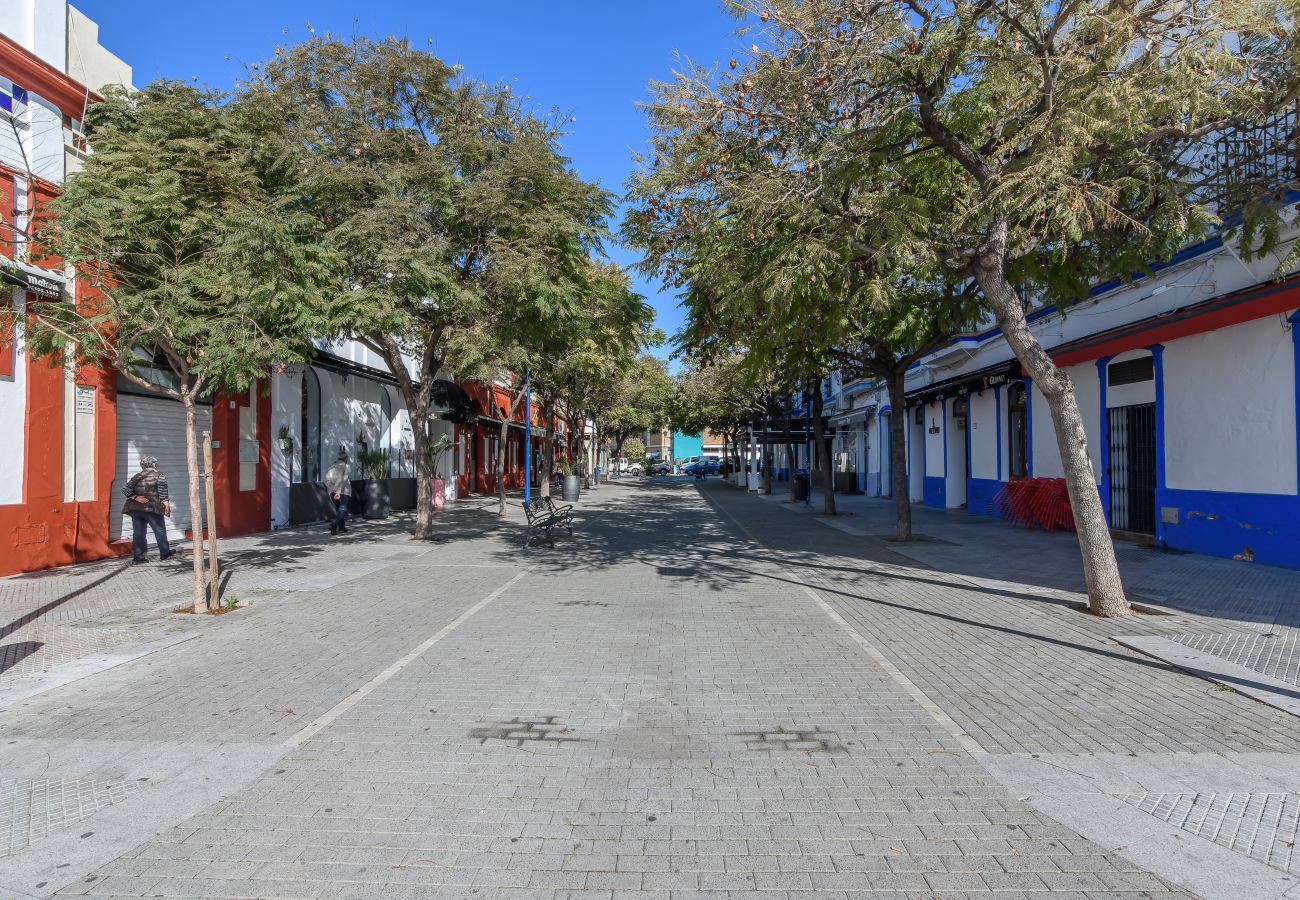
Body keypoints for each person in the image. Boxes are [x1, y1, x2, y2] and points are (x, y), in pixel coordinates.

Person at [122, 456, 173, 564]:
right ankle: (165, 553)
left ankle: (138, 558)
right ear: (154, 465)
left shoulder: (137, 476)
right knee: (159, 531)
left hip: (136, 510)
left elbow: (125, 490)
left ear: (143, 466)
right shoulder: (159, 476)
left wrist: (136, 498)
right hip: (152, 509)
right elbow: (163, 493)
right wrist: (167, 506)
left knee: (138, 533)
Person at [324, 448, 352, 535]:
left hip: (332, 491)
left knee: (339, 509)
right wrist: (338, 491)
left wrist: (333, 489)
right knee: (342, 509)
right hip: (343, 491)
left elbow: (326, 480)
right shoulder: (347, 467)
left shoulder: (332, 466)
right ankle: (334, 524)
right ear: (346, 458)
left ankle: (341, 527)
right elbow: (344, 480)